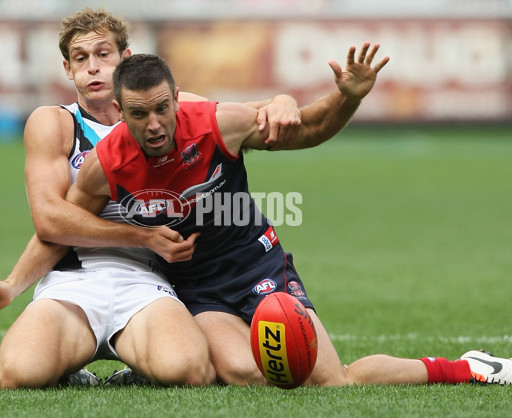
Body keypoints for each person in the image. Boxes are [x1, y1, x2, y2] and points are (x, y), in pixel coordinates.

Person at [66, 52, 512, 387]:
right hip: (195, 290)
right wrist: (134, 240)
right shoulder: (104, 165)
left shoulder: (219, 124)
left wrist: (347, 97)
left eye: (162, 108)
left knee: (328, 381)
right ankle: (154, 368)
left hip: (255, 266)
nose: (155, 124)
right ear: (120, 114)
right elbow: (64, 223)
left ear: (178, 99)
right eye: (140, 114)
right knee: (247, 373)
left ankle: (465, 366)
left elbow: (311, 130)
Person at [0, 7, 303, 389]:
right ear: (67, 69)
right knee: (17, 375)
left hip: (148, 278)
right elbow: (49, 219)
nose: (93, 68)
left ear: (125, 59)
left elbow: (238, 117)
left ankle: (134, 374)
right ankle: (75, 374)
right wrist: (14, 286)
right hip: (72, 279)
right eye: (81, 59)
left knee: (190, 370)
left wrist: (281, 101)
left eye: (103, 55)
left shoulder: (163, 113)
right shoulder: (55, 121)